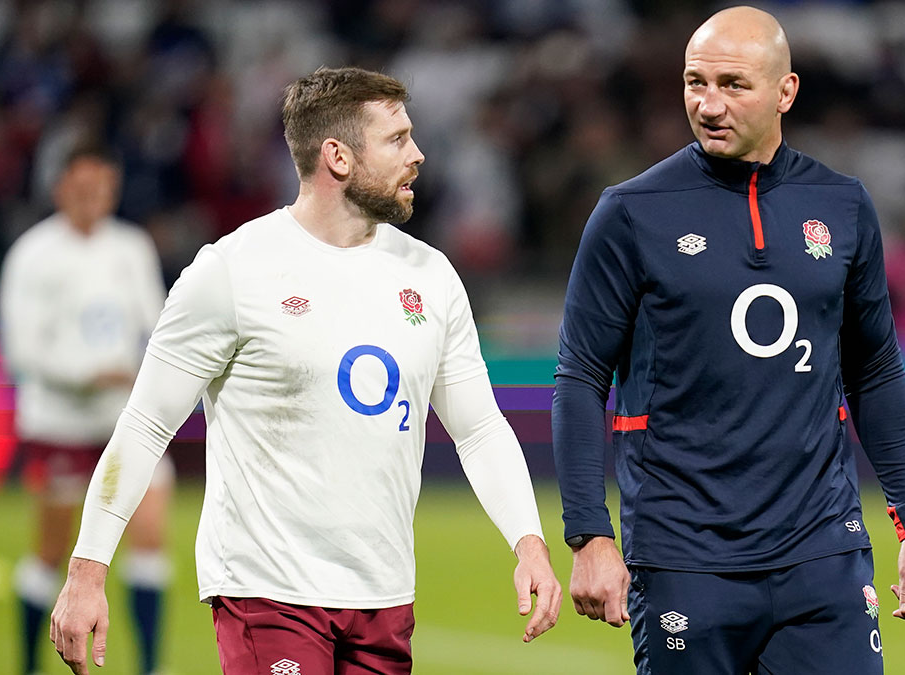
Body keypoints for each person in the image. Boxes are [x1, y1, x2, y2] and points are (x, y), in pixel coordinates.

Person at [49, 66, 561, 675]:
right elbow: (145, 425)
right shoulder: (233, 272)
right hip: (269, 592)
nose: (419, 154)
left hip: (384, 595)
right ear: (338, 157)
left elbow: (477, 429)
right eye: (396, 139)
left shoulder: (431, 275)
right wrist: (87, 569)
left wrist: (528, 541)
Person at [552, 6, 905, 674]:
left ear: (785, 91)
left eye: (732, 85)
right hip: (683, 557)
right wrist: (589, 533)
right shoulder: (631, 213)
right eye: (694, 82)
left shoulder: (842, 206)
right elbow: (580, 376)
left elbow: (875, 368)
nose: (709, 105)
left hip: (822, 551)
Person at [0, 143, 174, 675]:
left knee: (150, 539)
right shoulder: (33, 254)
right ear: (60, 188)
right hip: (60, 422)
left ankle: (147, 665)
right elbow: (20, 349)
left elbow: (159, 324)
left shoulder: (131, 247)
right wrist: (84, 375)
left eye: (103, 188)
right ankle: (29, 665)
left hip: (123, 421)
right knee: (52, 552)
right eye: (83, 187)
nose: (94, 198)